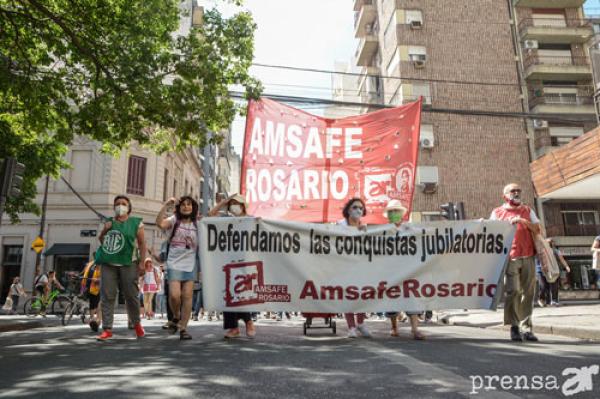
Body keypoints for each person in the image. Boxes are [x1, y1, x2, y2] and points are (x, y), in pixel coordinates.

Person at [490, 183, 540, 342]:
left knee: (529, 293)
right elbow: (491, 233)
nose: (517, 193)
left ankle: (527, 328)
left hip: (528, 256)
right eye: (513, 191)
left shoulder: (528, 210)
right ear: (505, 195)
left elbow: (538, 229)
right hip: (510, 257)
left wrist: (523, 222)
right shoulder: (497, 212)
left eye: (519, 190)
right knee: (513, 290)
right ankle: (514, 327)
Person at [95, 195, 146, 341]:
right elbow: (102, 240)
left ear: (129, 207)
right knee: (107, 295)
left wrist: (142, 263)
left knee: (131, 296)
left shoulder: (137, 223)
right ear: (114, 207)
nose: (120, 206)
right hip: (109, 263)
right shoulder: (108, 222)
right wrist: (105, 231)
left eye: (123, 203)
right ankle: (107, 329)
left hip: (129, 263)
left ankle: (137, 324)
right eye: (117, 204)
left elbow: (142, 244)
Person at [209, 193, 257, 339]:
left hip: (245, 261)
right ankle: (234, 327)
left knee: (240, 292)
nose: (233, 206)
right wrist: (224, 202)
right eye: (232, 203)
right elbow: (210, 214)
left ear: (243, 206)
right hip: (227, 261)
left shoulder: (251, 219)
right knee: (227, 294)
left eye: (236, 203)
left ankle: (248, 321)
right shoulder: (226, 219)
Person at [156, 196, 200, 340]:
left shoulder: (197, 223)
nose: (186, 207)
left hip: (191, 264)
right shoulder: (174, 220)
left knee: (187, 296)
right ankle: (176, 316)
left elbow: (212, 217)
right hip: (174, 263)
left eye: (189, 204)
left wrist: (223, 203)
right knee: (175, 295)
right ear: (179, 207)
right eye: (183, 205)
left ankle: (183, 328)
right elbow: (159, 223)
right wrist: (166, 205)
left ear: (193, 207)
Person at [384, 200, 425, 340]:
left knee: (412, 297)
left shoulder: (409, 229)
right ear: (388, 215)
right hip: (391, 270)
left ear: (401, 213)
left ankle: (415, 329)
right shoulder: (383, 231)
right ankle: (394, 327)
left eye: (396, 211)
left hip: (408, 269)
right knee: (392, 299)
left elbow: (424, 236)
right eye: (391, 212)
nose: (394, 214)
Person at [338, 197, 371, 339]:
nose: (358, 210)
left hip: (361, 267)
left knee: (363, 294)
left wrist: (364, 233)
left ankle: (361, 323)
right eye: (355, 207)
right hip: (344, 266)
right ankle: (351, 327)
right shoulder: (339, 226)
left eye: (361, 208)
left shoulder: (365, 228)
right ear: (348, 210)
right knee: (348, 296)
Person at [81, 259, 102, 332]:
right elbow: (84, 274)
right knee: (96, 306)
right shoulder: (93, 264)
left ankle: (95, 321)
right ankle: (95, 321)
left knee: (95, 306)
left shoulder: (90, 264)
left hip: (94, 288)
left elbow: (84, 273)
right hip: (93, 288)